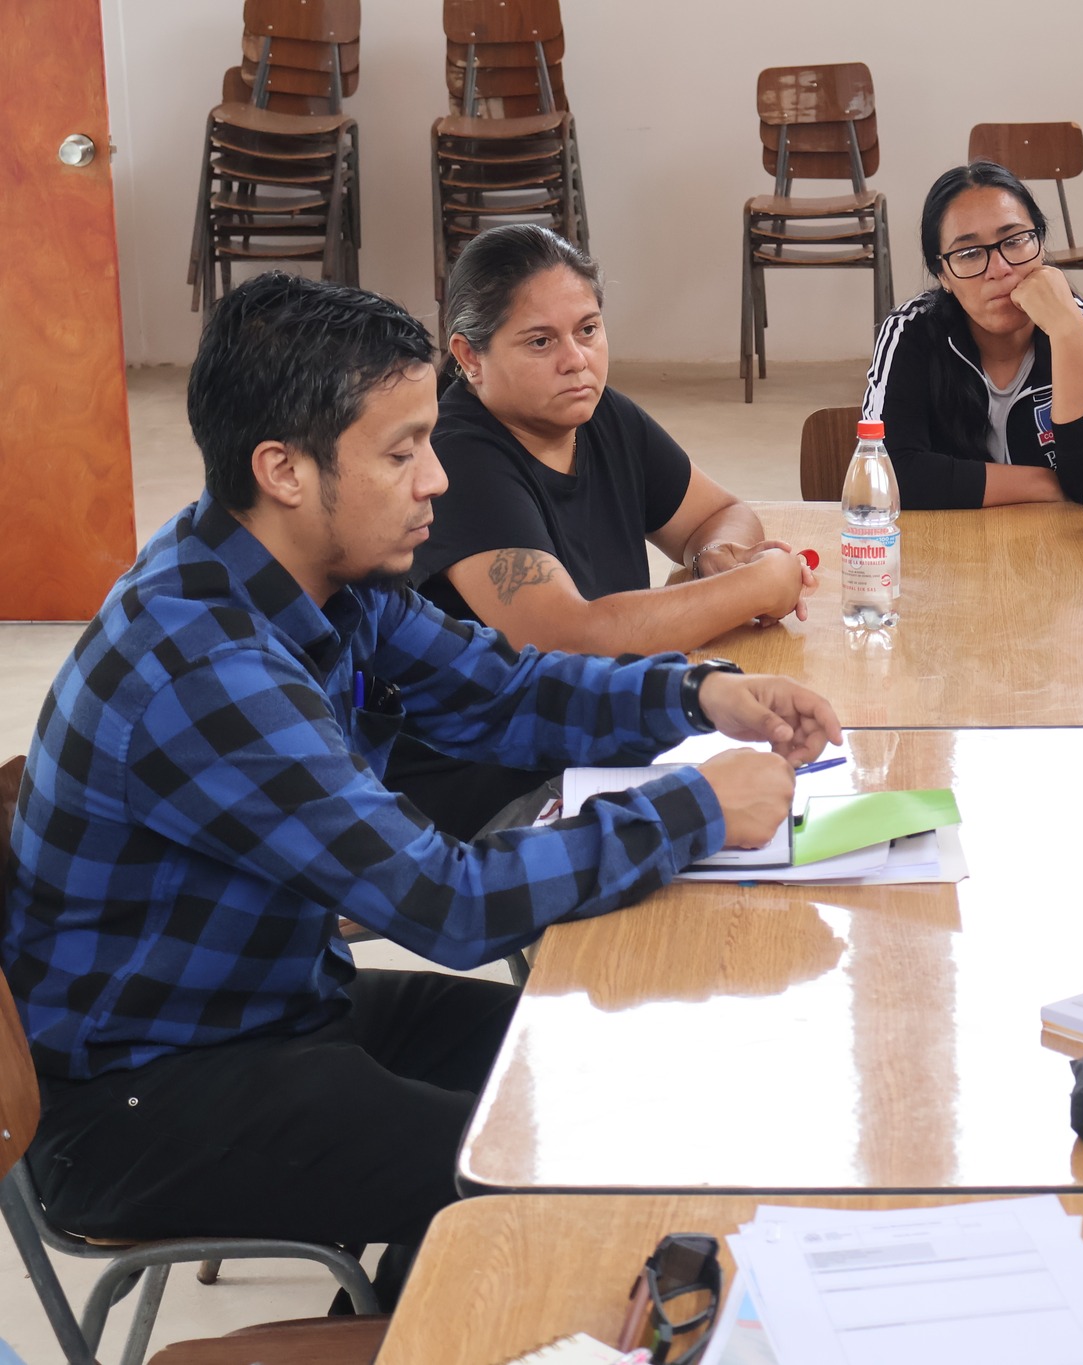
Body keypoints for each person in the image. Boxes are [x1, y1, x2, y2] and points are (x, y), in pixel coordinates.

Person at [1, 272, 841, 1305]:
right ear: (285, 471)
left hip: (271, 1007)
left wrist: (699, 694)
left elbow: (499, 689)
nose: (435, 480)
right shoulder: (203, 662)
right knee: (549, 1176)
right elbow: (447, 905)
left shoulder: (314, 570)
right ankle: (437, 1304)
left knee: (604, 1076)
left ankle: (408, 1283)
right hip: (143, 1096)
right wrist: (698, 806)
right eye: (401, 452)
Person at [395, 225, 816, 835]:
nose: (577, 360)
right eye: (541, 342)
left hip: (602, 751)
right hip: (494, 797)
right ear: (468, 358)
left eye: (588, 330)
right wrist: (760, 583)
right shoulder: (457, 457)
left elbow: (714, 513)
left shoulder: (596, 413)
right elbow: (567, 638)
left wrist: (717, 554)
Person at [862, 161, 1083, 510]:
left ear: (1040, 244)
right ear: (943, 275)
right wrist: (1045, 482)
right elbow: (886, 474)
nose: (1000, 269)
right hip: (947, 552)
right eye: (968, 253)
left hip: (1064, 554)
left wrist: (1068, 333)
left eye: (1014, 240)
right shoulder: (911, 332)